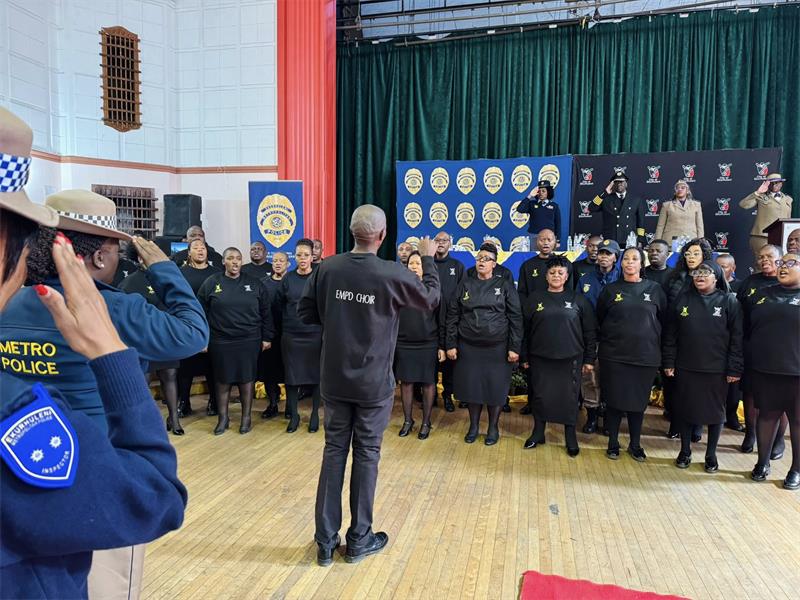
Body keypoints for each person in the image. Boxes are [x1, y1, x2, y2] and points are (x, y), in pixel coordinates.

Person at [0, 106, 186, 600]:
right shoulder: (115, 310)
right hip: (96, 472)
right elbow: (191, 334)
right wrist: (163, 273)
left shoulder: (18, 301)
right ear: (101, 253)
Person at [297, 205, 440, 566]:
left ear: (352, 232)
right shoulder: (391, 273)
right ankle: (359, 539)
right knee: (367, 455)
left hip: (334, 379)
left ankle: (325, 544)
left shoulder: (327, 267)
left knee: (333, 453)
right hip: (373, 383)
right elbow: (429, 299)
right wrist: (427, 258)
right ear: (382, 235)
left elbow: (305, 313)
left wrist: (339, 321)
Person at [663, 261, 743, 472]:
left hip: (717, 368)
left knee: (716, 413)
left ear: (716, 277)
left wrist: (734, 368)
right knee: (685, 410)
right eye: (697, 272)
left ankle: (710, 454)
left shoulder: (728, 301)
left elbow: (737, 338)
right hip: (686, 366)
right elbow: (671, 334)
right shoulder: (683, 299)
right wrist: (669, 362)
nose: (700, 276)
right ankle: (685, 451)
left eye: (705, 272)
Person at [446, 242, 522, 446]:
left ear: (494, 264)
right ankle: (473, 426)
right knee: (473, 389)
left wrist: (514, 347)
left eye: (486, 259)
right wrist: (451, 343)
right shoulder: (465, 284)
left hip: (497, 348)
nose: (481, 262)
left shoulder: (504, 285)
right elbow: (453, 314)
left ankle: (493, 427)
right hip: (469, 347)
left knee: (495, 389)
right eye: (479, 258)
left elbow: (516, 317)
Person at [521, 256, 596, 456]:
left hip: (570, 358)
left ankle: (570, 436)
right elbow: (524, 331)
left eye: (560, 272)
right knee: (540, 396)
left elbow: (589, 332)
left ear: (567, 276)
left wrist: (589, 359)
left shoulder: (579, 300)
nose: (556, 276)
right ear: (546, 276)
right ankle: (538, 432)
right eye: (552, 272)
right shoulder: (534, 299)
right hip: (540, 357)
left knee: (569, 399)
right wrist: (524, 357)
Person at [596, 247, 666, 461]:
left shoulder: (654, 289)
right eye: (626, 258)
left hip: (644, 356)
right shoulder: (610, 290)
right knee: (614, 401)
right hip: (614, 356)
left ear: (641, 264)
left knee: (638, 403)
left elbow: (665, 321)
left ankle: (635, 444)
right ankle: (613, 442)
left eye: (635, 259)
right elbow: (600, 318)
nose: (630, 262)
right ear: (620, 262)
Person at [198, 247, 274, 435]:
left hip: (249, 339)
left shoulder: (254, 284)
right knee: (222, 380)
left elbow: (266, 312)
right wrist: (203, 338)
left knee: (246, 380)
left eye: (238, 258)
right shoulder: (211, 283)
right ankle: (223, 418)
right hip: (221, 340)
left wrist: (267, 337)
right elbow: (200, 312)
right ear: (224, 262)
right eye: (230, 258)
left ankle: (246, 418)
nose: (235, 262)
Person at [743, 253, 800, 490]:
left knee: (797, 421)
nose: (783, 267)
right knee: (766, 416)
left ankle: (796, 470)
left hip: (797, 372)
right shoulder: (763, 295)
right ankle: (762, 463)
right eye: (782, 263)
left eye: (791, 263)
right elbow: (748, 328)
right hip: (765, 368)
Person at [119, 244, 184, 435]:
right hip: (141, 340)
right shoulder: (129, 283)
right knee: (143, 380)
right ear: (139, 259)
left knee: (170, 376)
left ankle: (174, 419)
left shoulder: (166, 280)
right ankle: (146, 422)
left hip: (164, 337)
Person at [736, 244, 788, 454]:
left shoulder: (788, 282)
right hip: (752, 347)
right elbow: (738, 314)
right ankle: (751, 434)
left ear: (781, 259)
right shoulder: (750, 282)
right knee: (750, 393)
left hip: (784, 351)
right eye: (761, 256)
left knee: (782, 397)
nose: (764, 260)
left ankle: (778, 440)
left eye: (770, 256)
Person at [274, 239, 323, 433]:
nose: (302, 259)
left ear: (313, 256)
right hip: (292, 335)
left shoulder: (319, 278)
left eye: (306, 255)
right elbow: (278, 306)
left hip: (315, 335)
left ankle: (314, 415)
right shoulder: (288, 279)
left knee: (316, 376)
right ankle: (293, 415)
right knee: (292, 377)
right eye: (299, 255)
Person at [395, 251, 445, 440]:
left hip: (428, 343)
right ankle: (408, 420)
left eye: (418, 263)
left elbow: (442, 319)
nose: (414, 266)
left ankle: (426, 421)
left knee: (428, 383)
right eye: (411, 263)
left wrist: (442, 345)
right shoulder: (400, 288)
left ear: (425, 268)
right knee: (406, 383)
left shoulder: (432, 289)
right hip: (404, 343)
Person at [577, 238, 621, 434]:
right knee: (590, 378)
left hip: (615, 339)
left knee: (612, 379)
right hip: (591, 337)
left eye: (608, 253)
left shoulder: (622, 279)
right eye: (601, 252)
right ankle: (592, 417)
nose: (603, 256)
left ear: (615, 257)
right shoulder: (585, 279)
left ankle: (610, 420)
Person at [177, 238, 221, 416]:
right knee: (185, 367)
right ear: (189, 252)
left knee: (212, 367)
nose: (200, 251)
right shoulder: (180, 273)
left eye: (203, 248)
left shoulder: (217, 273)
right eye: (195, 248)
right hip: (188, 325)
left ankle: (214, 401)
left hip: (213, 326)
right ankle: (184, 402)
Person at [433, 231, 464, 411]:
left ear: (450, 244)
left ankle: (447, 396)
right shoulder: (427, 263)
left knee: (449, 364)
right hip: (429, 318)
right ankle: (429, 395)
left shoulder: (457, 266)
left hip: (451, 320)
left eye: (444, 240)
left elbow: (462, 294)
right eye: (437, 240)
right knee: (431, 361)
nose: (441, 243)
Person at [739, 173, 793, 268]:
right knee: (762, 265)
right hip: (762, 236)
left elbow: (788, 217)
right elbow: (744, 205)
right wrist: (757, 193)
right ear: (767, 184)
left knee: (781, 264)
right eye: (771, 183)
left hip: (781, 236)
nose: (775, 185)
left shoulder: (788, 199)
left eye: (778, 182)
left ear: (781, 183)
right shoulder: (760, 196)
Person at [258, 251, 288, 419]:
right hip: (269, 335)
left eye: (281, 261)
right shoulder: (263, 284)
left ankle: (290, 406)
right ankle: (273, 403)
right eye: (275, 260)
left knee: (289, 370)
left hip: (289, 334)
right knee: (269, 372)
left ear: (287, 264)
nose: (277, 263)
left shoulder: (292, 281)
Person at [589, 170, 645, 246]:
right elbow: (592, 208)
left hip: (629, 240)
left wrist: (640, 240)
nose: (619, 184)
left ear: (626, 183)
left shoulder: (636, 200)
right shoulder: (606, 199)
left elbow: (640, 223)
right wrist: (604, 193)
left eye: (621, 181)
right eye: (616, 182)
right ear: (613, 184)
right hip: (611, 239)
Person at [514, 180, 561, 247]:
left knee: (549, 257)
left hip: (549, 237)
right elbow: (520, 209)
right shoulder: (532, 204)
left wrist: (558, 240)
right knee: (533, 256)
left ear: (548, 192)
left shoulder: (554, 206)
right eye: (539, 191)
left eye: (543, 191)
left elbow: (558, 224)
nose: (541, 193)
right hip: (534, 236)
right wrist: (529, 196)